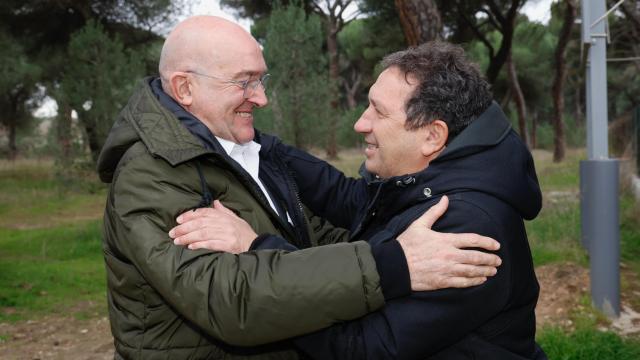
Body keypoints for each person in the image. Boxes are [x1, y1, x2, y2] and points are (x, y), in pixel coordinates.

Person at [97, 16, 501, 359]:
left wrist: (258, 243)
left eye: (261, 79)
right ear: (185, 88)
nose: (262, 97)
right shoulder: (150, 175)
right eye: (244, 82)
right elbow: (234, 303)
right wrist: (393, 265)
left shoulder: (243, 150)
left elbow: (314, 235)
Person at [172, 42, 547, 359]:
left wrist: (253, 246)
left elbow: (362, 345)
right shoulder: (433, 181)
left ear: (432, 137)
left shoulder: (464, 224)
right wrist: (257, 143)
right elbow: (350, 199)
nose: (361, 123)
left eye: (378, 112)